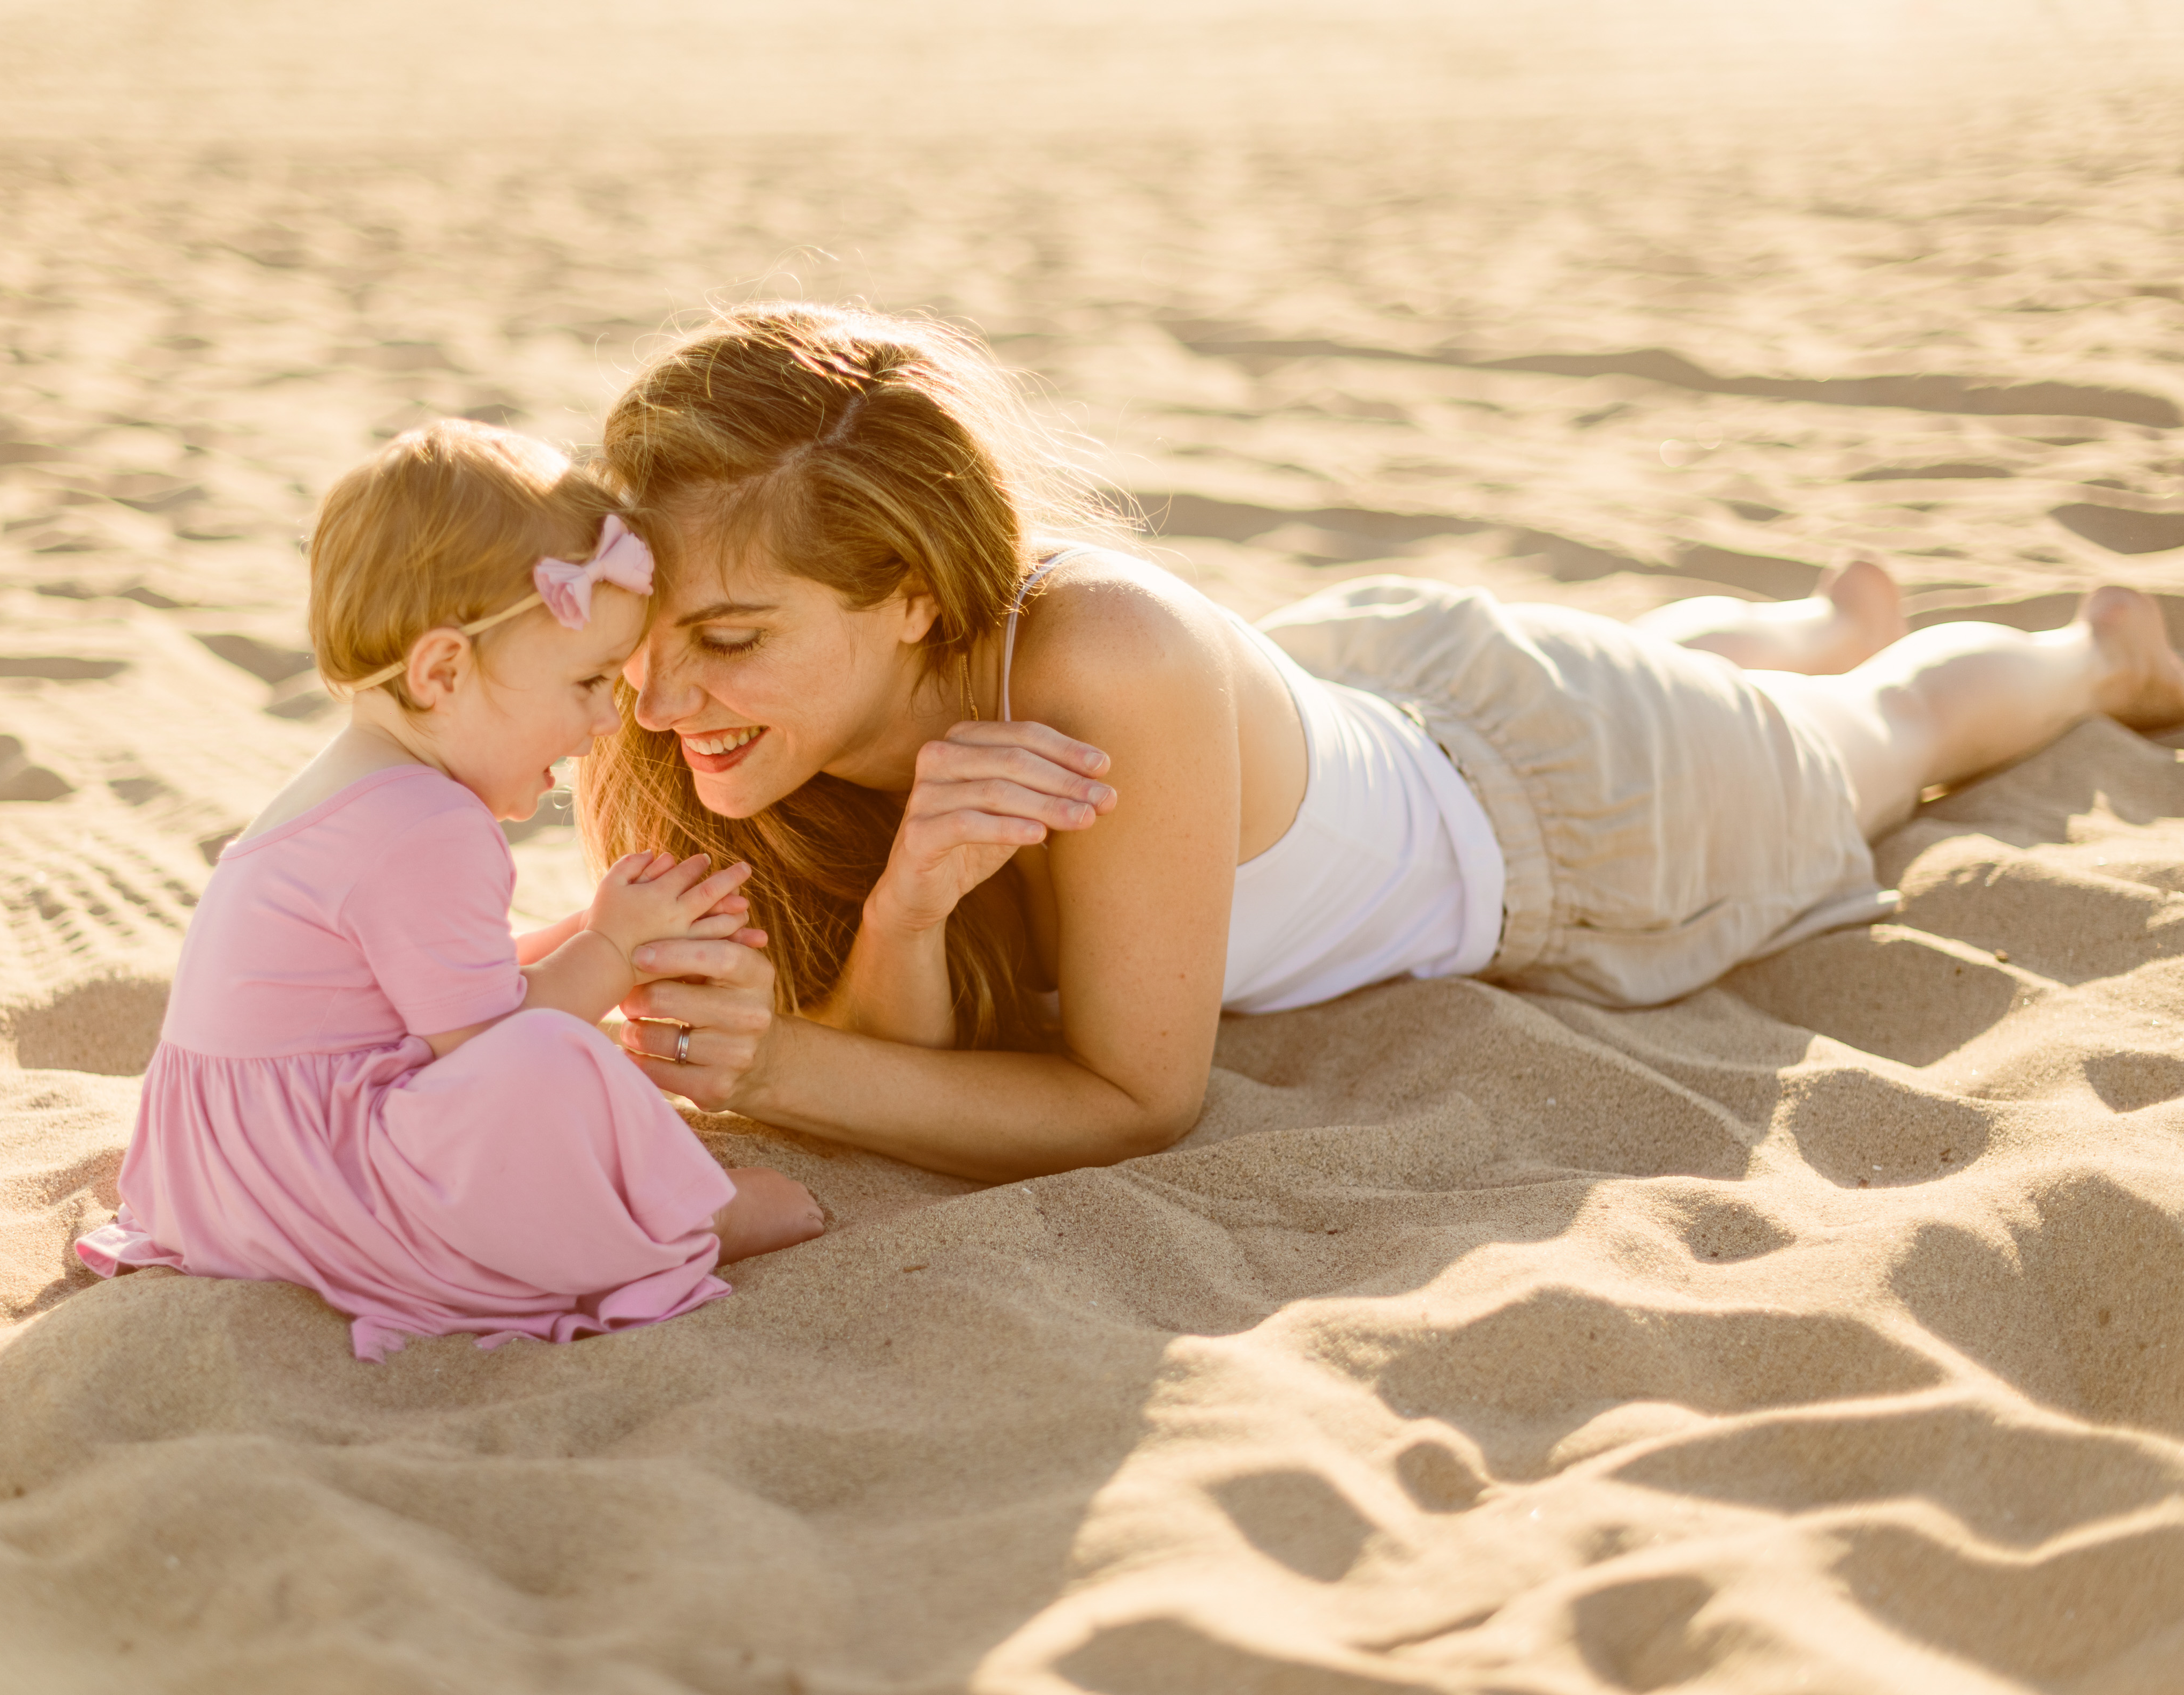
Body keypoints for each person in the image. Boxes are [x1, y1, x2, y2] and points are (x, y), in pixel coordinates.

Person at [572, 303, 2184, 1185]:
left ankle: (2087, 651)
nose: (661, 702)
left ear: (915, 599)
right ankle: (1770, 631)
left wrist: (779, 1062)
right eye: (646, 645)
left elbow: (1135, 1103)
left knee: (1878, 735)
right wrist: (913, 904)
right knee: (1709, 674)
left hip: (1542, 811)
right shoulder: (711, 725)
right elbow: (917, 1057)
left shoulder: (1099, 658)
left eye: (729, 644)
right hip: (1361, 691)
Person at [75, 420, 824, 1361]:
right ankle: (686, 1224)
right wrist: (613, 951)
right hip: (326, 1190)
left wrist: (591, 930)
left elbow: (429, 994)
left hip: (225, 1187)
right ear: (443, 671)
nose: (611, 719)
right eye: (591, 680)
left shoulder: (355, 784)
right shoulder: (429, 826)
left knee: (547, 1040)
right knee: (556, 1058)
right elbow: (491, 1043)